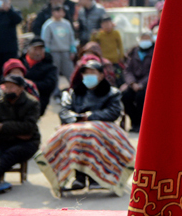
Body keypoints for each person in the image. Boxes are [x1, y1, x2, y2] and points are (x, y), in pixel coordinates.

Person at [38, 60, 132, 196]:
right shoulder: (74, 93)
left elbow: (113, 112)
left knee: (90, 134)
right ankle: (79, 177)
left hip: (102, 125)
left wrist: (90, 116)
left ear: (101, 75)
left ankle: (96, 176)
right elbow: (64, 111)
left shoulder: (112, 92)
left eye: (92, 73)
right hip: (76, 125)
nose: (88, 76)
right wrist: (77, 118)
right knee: (74, 134)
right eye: (86, 73)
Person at [0, 75, 40, 198]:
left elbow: (28, 128)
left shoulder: (32, 103)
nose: (8, 90)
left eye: (12, 87)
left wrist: (4, 127)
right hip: (4, 141)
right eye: (6, 87)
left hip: (28, 143)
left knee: (10, 154)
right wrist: (16, 131)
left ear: (20, 89)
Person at [121, 32, 154, 133]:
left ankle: (141, 123)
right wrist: (132, 83)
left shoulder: (155, 52)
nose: (145, 41)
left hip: (147, 84)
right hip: (134, 83)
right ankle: (134, 122)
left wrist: (142, 84)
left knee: (141, 97)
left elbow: (153, 71)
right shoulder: (134, 52)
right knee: (125, 95)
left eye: (147, 38)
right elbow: (127, 70)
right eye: (143, 39)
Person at [21, 38, 58, 113]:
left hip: (39, 101)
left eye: (41, 49)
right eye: (35, 49)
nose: (38, 53)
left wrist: (28, 84)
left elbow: (49, 85)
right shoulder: (18, 63)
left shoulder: (50, 67)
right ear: (28, 50)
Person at [41, 5, 76, 83]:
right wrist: (47, 52)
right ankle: (55, 91)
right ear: (52, 12)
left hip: (66, 51)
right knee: (54, 73)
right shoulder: (49, 25)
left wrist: (72, 50)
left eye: (61, 11)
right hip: (54, 52)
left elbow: (71, 37)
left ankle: (74, 88)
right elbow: (45, 40)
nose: (59, 13)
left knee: (70, 72)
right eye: (57, 11)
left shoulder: (67, 24)